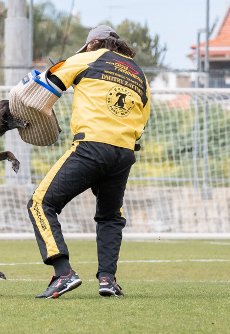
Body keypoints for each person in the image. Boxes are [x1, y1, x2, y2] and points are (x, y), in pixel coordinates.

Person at [27, 25, 151, 299]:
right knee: (110, 216)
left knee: (40, 203)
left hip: (91, 146)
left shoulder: (86, 58)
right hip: (123, 154)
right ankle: (108, 279)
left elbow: (41, 89)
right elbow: (142, 122)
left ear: (93, 43)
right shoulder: (139, 74)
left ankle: (63, 273)